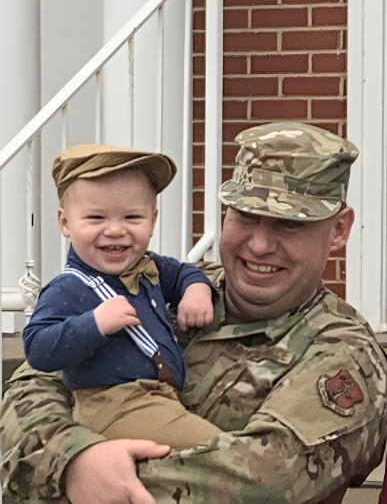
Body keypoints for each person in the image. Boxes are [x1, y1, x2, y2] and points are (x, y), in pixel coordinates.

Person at [1, 122, 387, 504]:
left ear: (338, 230)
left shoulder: (345, 354)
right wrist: (72, 459)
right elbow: (35, 378)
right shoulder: (168, 285)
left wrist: (74, 473)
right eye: (246, 216)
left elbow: (262, 481)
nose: (260, 244)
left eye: (290, 224)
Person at [22, 143, 221, 450]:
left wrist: (197, 291)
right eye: (96, 218)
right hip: (111, 403)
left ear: (152, 221)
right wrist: (95, 324)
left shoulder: (150, 266)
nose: (115, 230)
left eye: (131, 217)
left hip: (158, 398)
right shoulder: (69, 289)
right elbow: (37, 348)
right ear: (65, 223)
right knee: (217, 450)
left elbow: (184, 273)